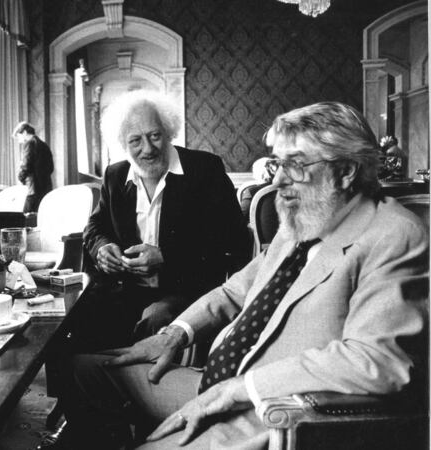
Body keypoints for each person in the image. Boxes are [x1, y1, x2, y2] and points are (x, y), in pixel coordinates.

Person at [52, 102, 429, 449]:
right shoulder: (303, 220)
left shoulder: (394, 234)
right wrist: (175, 333)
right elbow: (237, 288)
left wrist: (243, 388)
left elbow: (378, 362)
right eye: (277, 163)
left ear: (345, 171)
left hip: (270, 411)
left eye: (295, 165)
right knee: (87, 369)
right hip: (218, 380)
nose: (278, 181)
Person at [73, 90, 251, 351]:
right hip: (126, 288)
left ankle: (141, 388)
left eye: (155, 136)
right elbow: (95, 226)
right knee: (73, 319)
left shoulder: (205, 169)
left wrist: (166, 256)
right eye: (135, 140)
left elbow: (232, 240)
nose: (147, 149)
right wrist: (101, 247)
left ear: (168, 131)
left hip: (184, 289)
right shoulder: (115, 175)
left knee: (154, 319)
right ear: (123, 143)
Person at [14, 121, 54, 213]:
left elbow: (26, 165)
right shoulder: (44, 145)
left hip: (33, 188)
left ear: (24, 132)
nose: (19, 141)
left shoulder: (29, 144)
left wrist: (20, 177)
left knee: (26, 219)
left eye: (18, 136)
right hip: (45, 188)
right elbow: (51, 168)